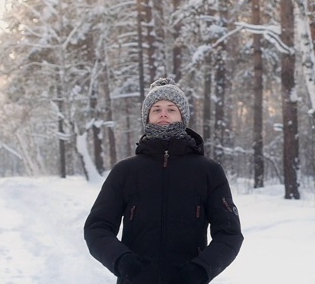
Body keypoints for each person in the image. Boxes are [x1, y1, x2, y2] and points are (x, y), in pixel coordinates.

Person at [84, 78, 243, 284]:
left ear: (182, 117)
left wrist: (202, 269)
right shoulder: (125, 171)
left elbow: (229, 234)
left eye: (171, 109)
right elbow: (97, 227)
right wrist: (121, 260)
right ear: (148, 118)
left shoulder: (208, 171)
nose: (163, 114)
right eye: (156, 109)